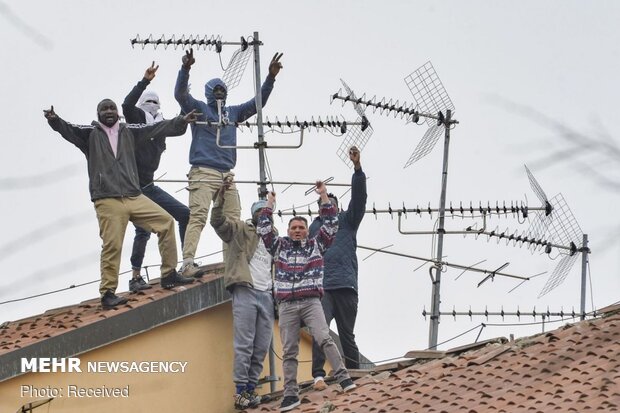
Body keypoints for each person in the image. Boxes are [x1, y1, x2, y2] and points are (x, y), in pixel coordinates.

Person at [43, 100, 197, 309]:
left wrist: (180, 120)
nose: (109, 112)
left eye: (112, 108)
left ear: (117, 113)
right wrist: (54, 120)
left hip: (134, 195)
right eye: (104, 109)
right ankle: (108, 293)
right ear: (98, 114)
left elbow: (155, 127)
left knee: (166, 222)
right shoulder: (90, 134)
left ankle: (169, 274)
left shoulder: (129, 131)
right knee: (112, 245)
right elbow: (68, 130)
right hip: (107, 198)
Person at [174, 48, 284, 277]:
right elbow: (181, 96)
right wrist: (185, 69)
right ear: (208, 93)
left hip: (227, 173)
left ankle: (231, 264)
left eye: (223, 90)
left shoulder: (232, 113)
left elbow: (257, 104)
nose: (220, 93)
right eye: (216, 90)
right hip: (203, 170)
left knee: (232, 221)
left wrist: (271, 78)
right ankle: (187, 263)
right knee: (199, 216)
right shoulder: (201, 110)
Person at [257, 183, 356, 412]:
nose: (298, 230)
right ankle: (291, 395)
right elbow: (263, 229)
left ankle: (343, 377)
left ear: (307, 230)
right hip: (287, 305)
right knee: (289, 350)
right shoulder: (279, 246)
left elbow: (331, 224)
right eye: (294, 227)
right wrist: (270, 205)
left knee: (324, 337)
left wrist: (323, 196)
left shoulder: (315, 245)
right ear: (288, 230)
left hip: (311, 302)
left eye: (301, 227)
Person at [122, 62, 191, 293]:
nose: (152, 106)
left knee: (184, 214)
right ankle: (135, 276)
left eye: (155, 103)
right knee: (143, 229)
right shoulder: (134, 120)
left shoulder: (160, 125)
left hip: (150, 186)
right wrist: (145, 81)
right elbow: (126, 104)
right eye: (148, 102)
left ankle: (186, 264)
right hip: (134, 187)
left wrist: (185, 103)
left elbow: (179, 126)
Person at [210, 179, 275, 410]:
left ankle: (249, 389)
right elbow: (216, 222)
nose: (263, 215)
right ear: (254, 214)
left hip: (267, 295)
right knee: (244, 345)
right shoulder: (240, 230)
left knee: (261, 347)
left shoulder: (274, 239)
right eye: (259, 212)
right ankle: (240, 392)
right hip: (246, 290)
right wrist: (220, 198)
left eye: (265, 212)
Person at [310, 146, 367, 389]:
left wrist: (357, 169)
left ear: (337, 207)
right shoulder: (313, 229)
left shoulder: (348, 221)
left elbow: (360, 198)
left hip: (345, 285)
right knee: (320, 332)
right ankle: (318, 375)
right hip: (322, 288)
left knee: (347, 335)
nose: (328, 206)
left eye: (331, 202)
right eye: (324, 204)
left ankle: (353, 372)